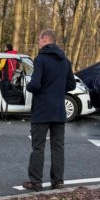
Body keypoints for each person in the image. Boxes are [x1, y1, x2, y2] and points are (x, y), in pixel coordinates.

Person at [22, 29, 75, 191]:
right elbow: (71, 85)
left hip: (42, 110)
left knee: (38, 146)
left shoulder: (40, 59)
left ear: (45, 39)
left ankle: (36, 182)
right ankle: (58, 181)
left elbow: (35, 84)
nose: (38, 42)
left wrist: (29, 86)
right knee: (58, 147)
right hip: (59, 110)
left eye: (39, 39)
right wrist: (57, 90)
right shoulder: (65, 60)